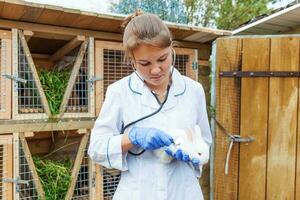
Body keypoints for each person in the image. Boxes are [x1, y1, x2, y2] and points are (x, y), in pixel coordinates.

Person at [88, 10, 212, 200]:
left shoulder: (193, 90)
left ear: (172, 48)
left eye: (162, 59)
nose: (155, 70)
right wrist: (131, 138)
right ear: (132, 60)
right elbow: (96, 148)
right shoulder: (119, 91)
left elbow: (204, 140)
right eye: (145, 63)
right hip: (138, 192)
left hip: (184, 192)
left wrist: (191, 149)